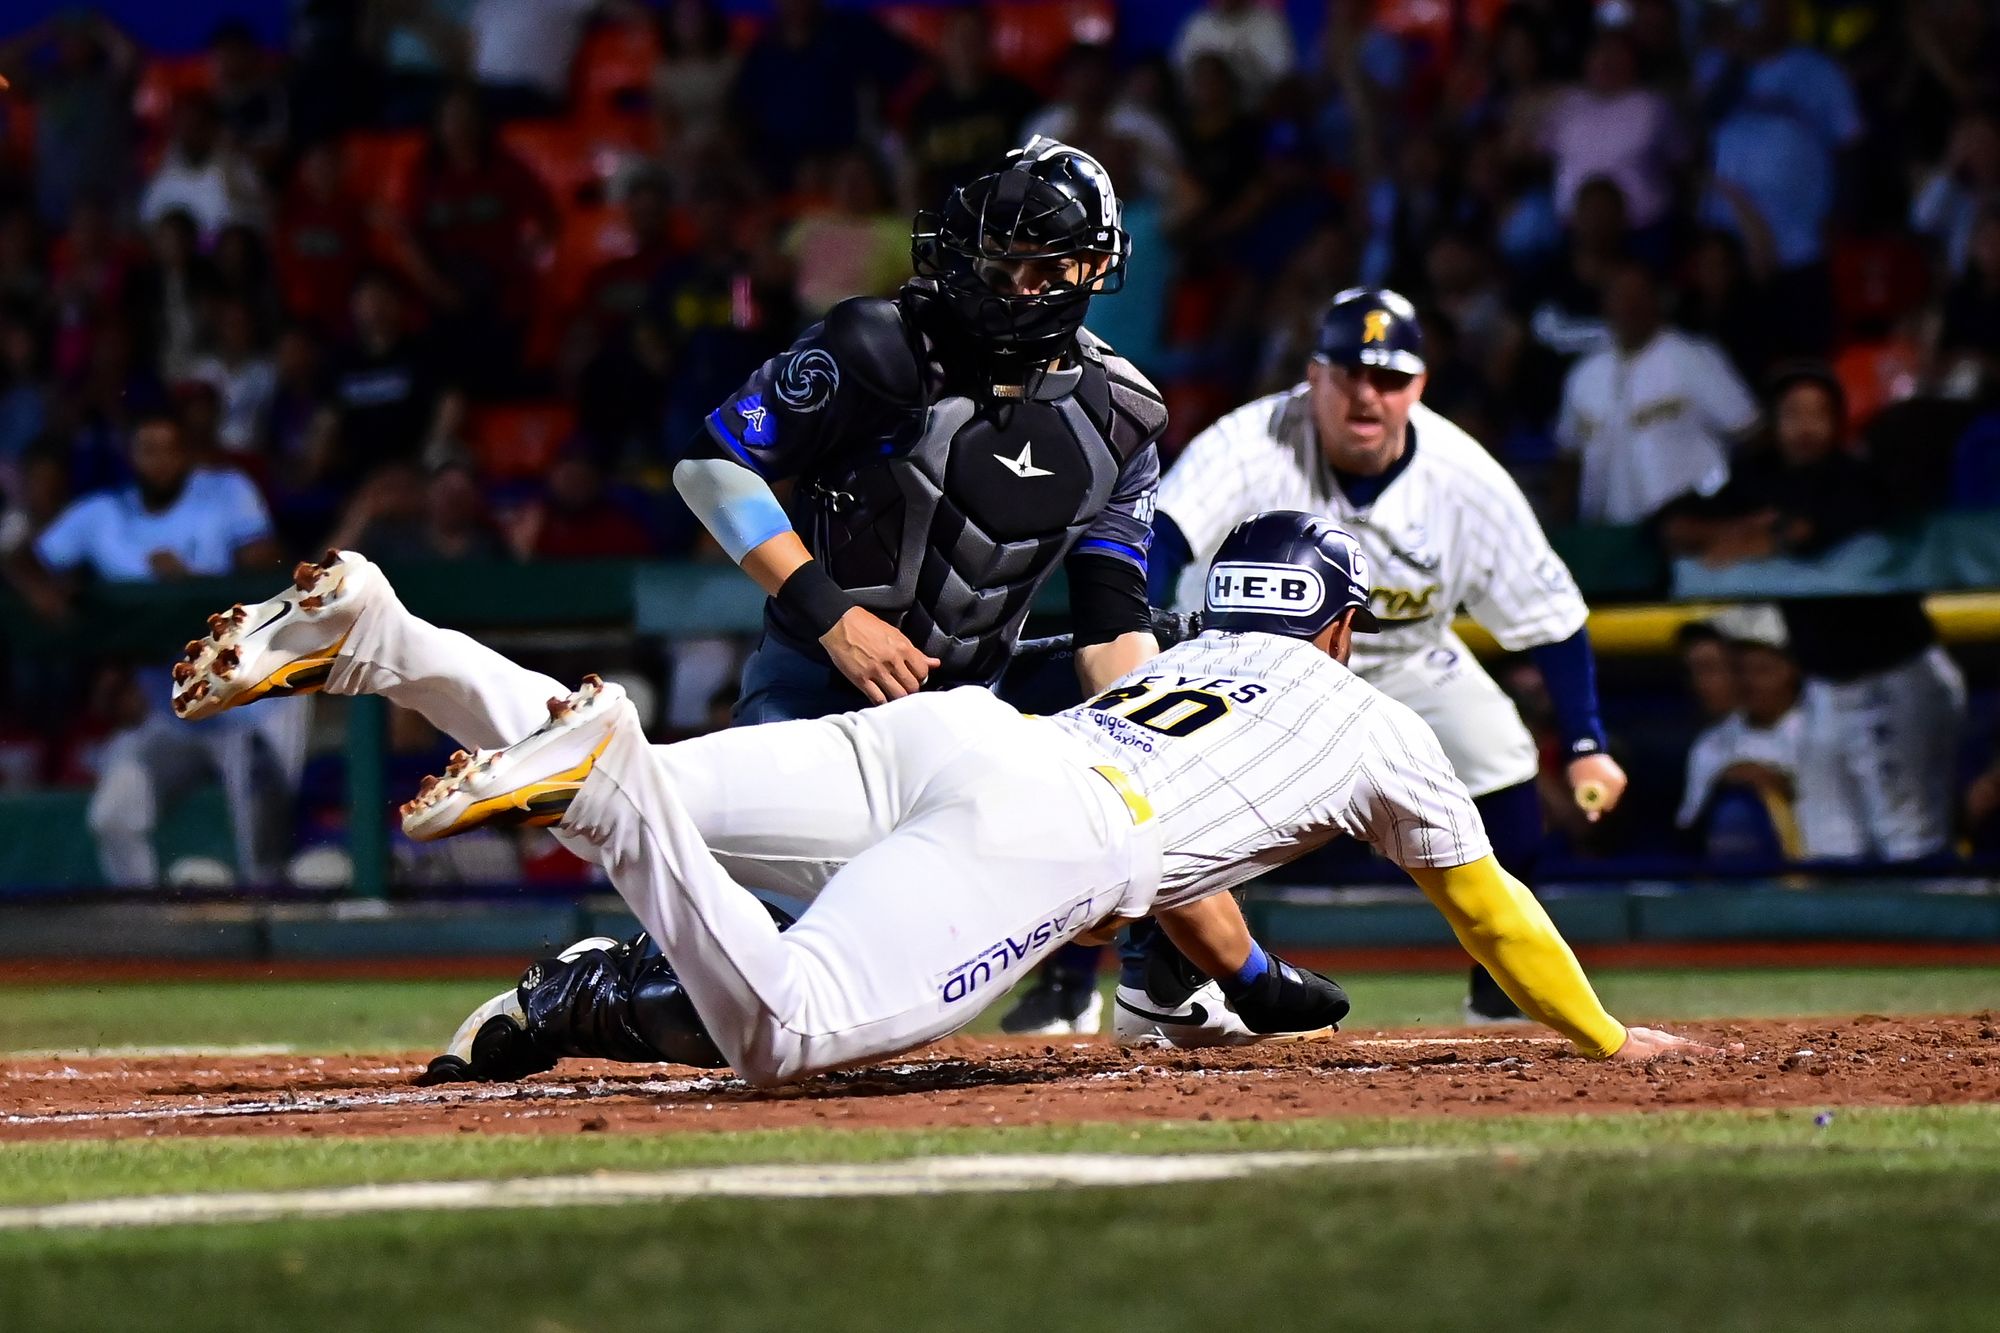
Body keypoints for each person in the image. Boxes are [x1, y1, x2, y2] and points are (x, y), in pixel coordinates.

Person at [169, 517, 1706, 1084]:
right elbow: (1492, 912)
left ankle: (388, 640)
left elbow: (1201, 882)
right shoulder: (1376, 721)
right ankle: (613, 780)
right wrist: (1605, 1036)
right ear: (1343, 629)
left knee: (637, 788)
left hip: (959, 738)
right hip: (1056, 823)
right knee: (784, 1035)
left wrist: (1242, 973)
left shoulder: (1187, 654)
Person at [1044, 288, 1629, 1036]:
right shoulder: (1252, 440)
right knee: (1168, 788)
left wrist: (1584, 743)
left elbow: (1550, 615)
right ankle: (1105, 984)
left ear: (1418, 387)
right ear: (1314, 374)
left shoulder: (1463, 475)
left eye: (1389, 378)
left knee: (1504, 762)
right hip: (1251, 663)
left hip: (1404, 656)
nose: (1366, 393)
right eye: (1350, 372)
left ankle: (1500, 1000)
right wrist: (1137, 633)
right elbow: (1160, 541)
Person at [1657, 364, 1966, 863]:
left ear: (1837, 422)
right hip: (1826, 684)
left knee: (1906, 835)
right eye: (1792, 414)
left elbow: (1811, 529)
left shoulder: (1861, 478)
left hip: (1895, 674)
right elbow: (1669, 525)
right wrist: (1734, 533)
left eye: (1817, 415)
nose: (1804, 427)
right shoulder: (1759, 478)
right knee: (1830, 838)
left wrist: (1769, 536)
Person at [5, 413, 298, 886]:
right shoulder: (103, 513)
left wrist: (194, 585)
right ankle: (147, 921)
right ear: (131, 455)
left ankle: (274, 928)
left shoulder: (225, 493)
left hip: (252, 705)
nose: (160, 461)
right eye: (148, 450)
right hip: (170, 711)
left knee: (260, 853)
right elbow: (20, 557)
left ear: (186, 454)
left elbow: (269, 571)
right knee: (114, 816)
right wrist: (38, 588)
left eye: (170, 449)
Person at [1553, 261, 1759, 525]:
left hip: (1689, 525)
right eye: (1619, 296)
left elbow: (1751, 432)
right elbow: (1568, 455)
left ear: (1658, 300)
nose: (1629, 306)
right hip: (1611, 529)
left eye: (1638, 295)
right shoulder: (1584, 374)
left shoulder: (1694, 357)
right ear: (1604, 304)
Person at [1675, 606, 1805, 859]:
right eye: (1743, 669)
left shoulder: (1817, 729)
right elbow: (1691, 830)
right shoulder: (1711, 742)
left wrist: (1779, 785)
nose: (1750, 681)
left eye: (1762, 669)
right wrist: (1723, 783)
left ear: (1790, 670)